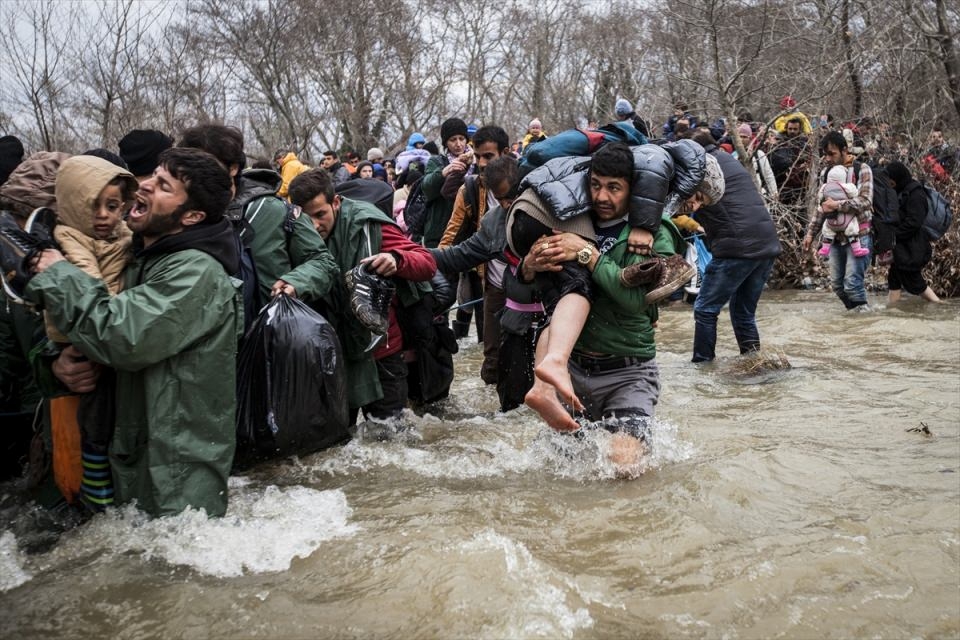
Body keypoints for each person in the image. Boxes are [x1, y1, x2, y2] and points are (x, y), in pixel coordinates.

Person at [23, 147, 241, 517]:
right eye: (152, 175)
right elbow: (82, 334)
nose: (144, 186)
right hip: (122, 460)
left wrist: (57, 272)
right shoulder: (134, 257)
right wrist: (57, 367)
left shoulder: (196, 273)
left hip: (173, 481)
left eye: (163, 186)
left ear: (191, 216)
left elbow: (120, 336)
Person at [516, 142, 712, 474]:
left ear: (633, 189)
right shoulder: (573, 218)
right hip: (573, 372)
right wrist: (530, 265)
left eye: (614, 188)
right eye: (595, 185)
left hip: (628, 373)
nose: (602, 197)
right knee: (554, 472)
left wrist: (588, 255)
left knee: (624, 466)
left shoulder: (653, 232)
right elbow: (528, 289)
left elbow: (636, 300)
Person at [288, 168, 437, 426]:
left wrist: (396, 259)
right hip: (334, 356)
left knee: (389, 444)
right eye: (307, 218)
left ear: (336, 202)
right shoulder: (296, 234)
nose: (314, 225)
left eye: (321, 214)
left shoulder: (369, 224)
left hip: (383, 354)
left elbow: (427, 263)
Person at [44, 155, 140, 509]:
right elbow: (90, 289)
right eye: (93, 205)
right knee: (95, 427)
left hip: (109, 341)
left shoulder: (124, 234)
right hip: (84, 341)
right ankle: (97, 504)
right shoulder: (65, 239)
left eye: (113, 206)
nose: (104, 215)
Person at [179, 124, 338, 315]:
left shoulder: (274, 209)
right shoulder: (181, 215)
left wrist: (296, 282)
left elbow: (322, 262)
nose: (199, 174)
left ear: (232, 168)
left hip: (269, 330)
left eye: (207, 164)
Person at [686, 130, 782, 362]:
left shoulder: (699, 166)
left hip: (737, 248)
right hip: (766, 244)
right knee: (743, 312)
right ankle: (753, 363)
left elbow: (686, 206)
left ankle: (702, 366)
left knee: (705, 309)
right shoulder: (729, 160)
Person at [437, 125, 512, 386]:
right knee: (491, 361)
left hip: (531, 287)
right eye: (477, 156)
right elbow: (450, 237)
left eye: (488, 157)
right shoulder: (469, 190)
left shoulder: (527, 183)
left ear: (505, 153)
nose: (481, 163)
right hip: (492, 284)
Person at [803, 131, 874, 311]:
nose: (827, 158)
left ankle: (863, 325)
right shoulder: (826, 173)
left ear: (845, 150)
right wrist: (811, 233)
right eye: (825, 154)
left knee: (852, 283)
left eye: (832, 154)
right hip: (835, 236)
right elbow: (822, 207)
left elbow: (866, 201)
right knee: (837, 286)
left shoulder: (862, 169)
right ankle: (858, 317)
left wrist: (838, 205)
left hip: (859, 234)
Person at [884, 161, 942, 304]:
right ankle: (892, 309)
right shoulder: (903, 191)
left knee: (915, 282)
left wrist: (893, 234)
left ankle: (939, 305)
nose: (889, 184)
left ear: (897, 178)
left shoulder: (916, 194)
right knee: (894, 278)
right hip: (904, 247)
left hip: (914, 247)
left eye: (890, 181)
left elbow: (914, 223)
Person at [421, 117, 473, 247]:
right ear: (445, 143)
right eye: (453, 140)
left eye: (461, 138)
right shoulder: (437, 162)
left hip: (469, 230)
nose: (458, 144)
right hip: (439, 232)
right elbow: (426, 188)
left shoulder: (476, 162)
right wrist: (444, 172)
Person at [816, 164, 869, 257]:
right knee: (852, 229)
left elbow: (820, 198)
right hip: (846, 220)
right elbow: (856, 194)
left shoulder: (825, 187)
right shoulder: (846, 186)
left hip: (831, 221)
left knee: (827, 230)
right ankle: (857, 249)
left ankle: (825, 249)